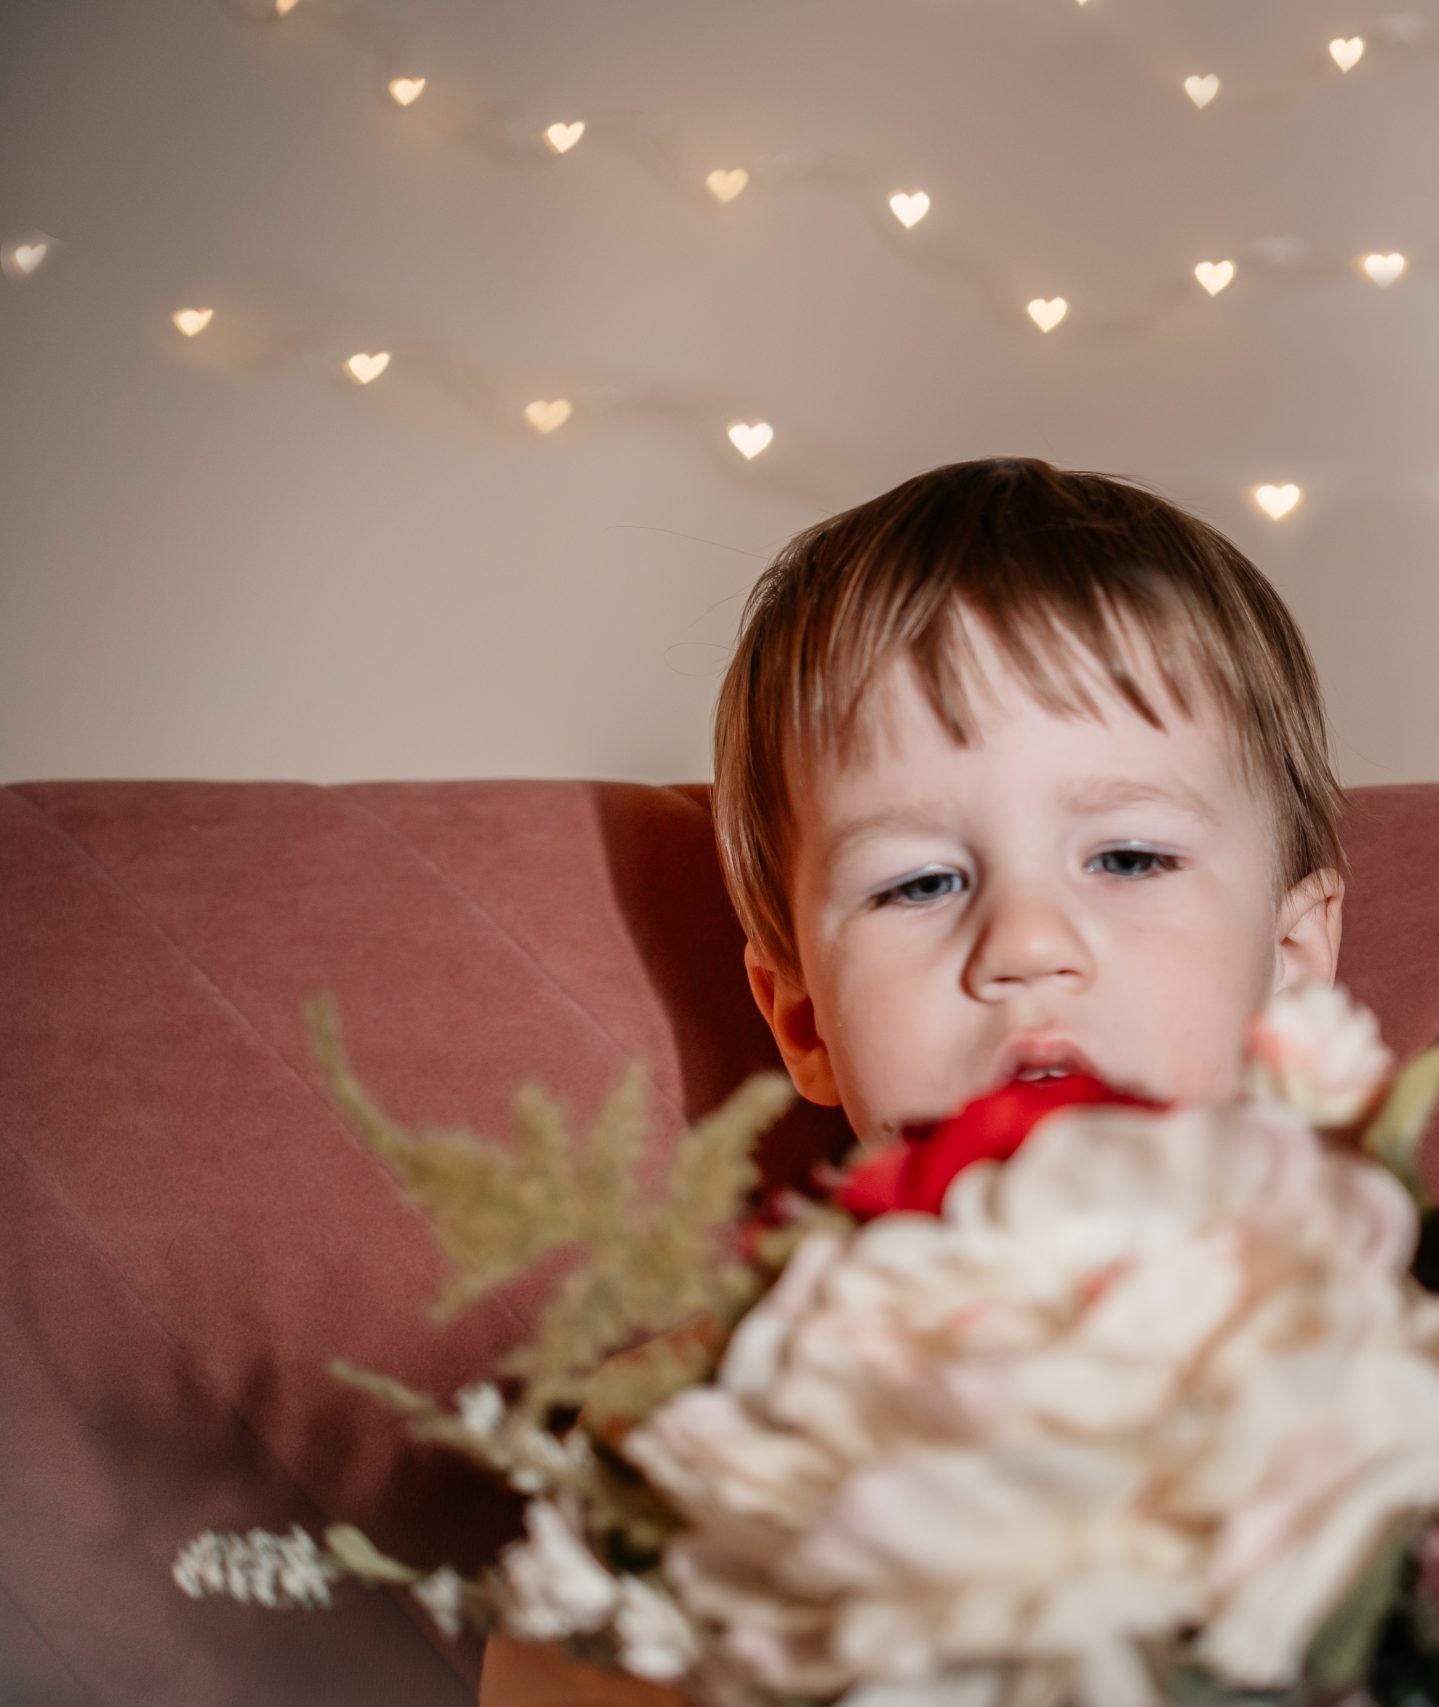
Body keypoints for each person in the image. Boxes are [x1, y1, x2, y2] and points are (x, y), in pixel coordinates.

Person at [476, 454, 1352, 1704]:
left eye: (1128, 857)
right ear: (801, 1019)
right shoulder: (688, 1423)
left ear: (1292, 960)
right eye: (920, 884)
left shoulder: (1416, 1366)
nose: (1027, 944)